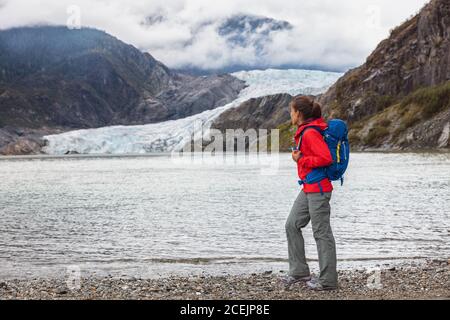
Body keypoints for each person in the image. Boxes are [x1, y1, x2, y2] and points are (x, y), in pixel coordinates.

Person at [282, 95, 338, 291]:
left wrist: (301, 160)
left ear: (298, 113)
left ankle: (328, 281)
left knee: (322, 233)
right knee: (291, 225)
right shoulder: (305, 131)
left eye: (291, 111)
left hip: (319, 189)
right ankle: (299, 271)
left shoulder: (310, 133)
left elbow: (326, 158)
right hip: (308, 188)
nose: (290, 114)